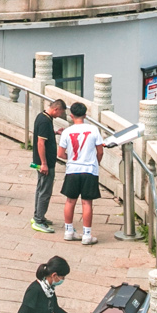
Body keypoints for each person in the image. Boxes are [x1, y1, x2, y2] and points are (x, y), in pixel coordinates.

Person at [59, 100, 103, 246]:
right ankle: (87, 235)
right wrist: (96, 162)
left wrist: (70, 158)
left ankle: (68, 231)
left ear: (71, 115)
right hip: (89, 169)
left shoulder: (67, 131)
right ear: (85, 114)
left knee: (70, 200)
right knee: (87, 202)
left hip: (72, 169)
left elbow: (60, 153)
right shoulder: (94, 130)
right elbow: (100, 151)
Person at [30, 96, 66, 234]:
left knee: (41, 189)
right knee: (45, 191)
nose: (60, 115)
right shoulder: (45, 121)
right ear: (56, 109)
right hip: (44, 163)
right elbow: (40, 143)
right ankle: (39, 220)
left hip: (40, 162)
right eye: (60, 113)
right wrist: (44, 163)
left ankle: (38, 216)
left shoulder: (42, 116)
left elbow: (43, 136)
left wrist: (55, 133)